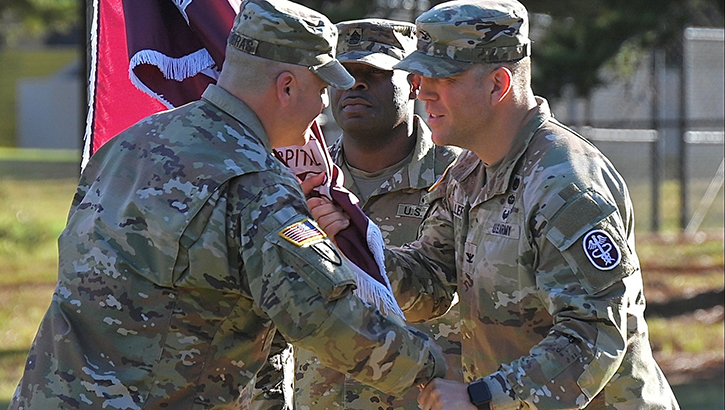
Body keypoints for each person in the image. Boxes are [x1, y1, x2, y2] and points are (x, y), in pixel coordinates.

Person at [8, 1, 448, 409]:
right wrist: (435, 372)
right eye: (320, 89)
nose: (321, 109)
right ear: (287, 87)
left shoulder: (133, 142)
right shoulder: (253, 182)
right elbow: (322, 315)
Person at [308, 1, 681, 409]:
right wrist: (356, 244)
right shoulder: (470, 171)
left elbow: (598, 330)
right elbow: (430, 284)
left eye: (441, 77)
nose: (421, 89)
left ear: (498, 85)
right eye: (417, 75)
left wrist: (487, 397)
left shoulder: (564, 182)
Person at [292, 19, 463, 410]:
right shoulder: (302, 181)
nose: (355, 85)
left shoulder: (461, 179)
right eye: (343, 74)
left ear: (414, 85)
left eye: (375, 73)